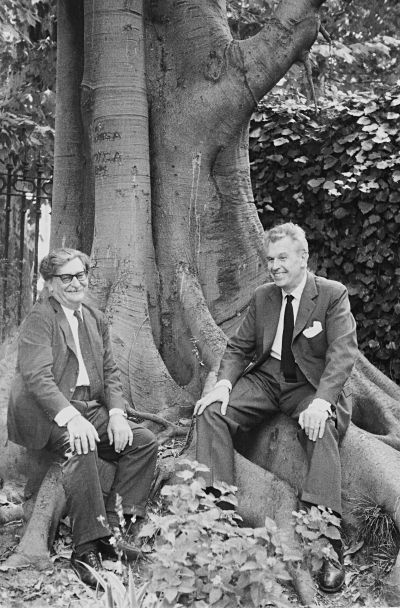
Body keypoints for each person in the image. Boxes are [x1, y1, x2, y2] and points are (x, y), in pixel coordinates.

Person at [194, 222, 357, 594]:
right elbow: (238, 348)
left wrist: (321, 401)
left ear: (303, 258)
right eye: (270, 259)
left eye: (283, 258)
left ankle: (324, 540)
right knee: (211, 412)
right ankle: (220, 510)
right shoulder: (263, 296)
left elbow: (342, 354)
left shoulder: (332, 295)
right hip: (267, 379)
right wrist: (223, 384)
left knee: (322, 428)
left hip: (308, 386)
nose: (275, 266)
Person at [7, 248, 158, 588]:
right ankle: (84, 548)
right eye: (66, 277)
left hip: (90, 408)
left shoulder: (93, 316)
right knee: (82, 445)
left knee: (144, 442)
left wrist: (117, 414)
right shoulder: (40, 318)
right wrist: (71, 419)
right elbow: (37, 378)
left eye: (80, 275)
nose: (76, 283)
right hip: (48, 414)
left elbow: (110, 371)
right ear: (49, 284)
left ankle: (114, 533)